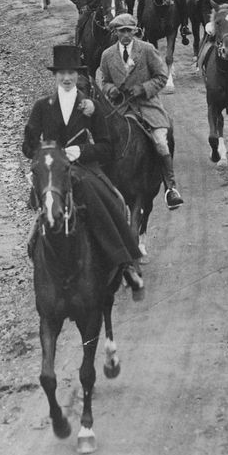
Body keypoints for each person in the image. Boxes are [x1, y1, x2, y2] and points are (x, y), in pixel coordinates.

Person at [22, 45, 143, 293]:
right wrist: (45, 156)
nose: (67, 78)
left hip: (84, 168)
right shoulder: (42, 106)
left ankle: (124, 261)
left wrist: (81, 151)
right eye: (62, 74)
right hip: (54, 169)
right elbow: (28, 146)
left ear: (78, 76)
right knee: (45, 199)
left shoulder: (91, 108)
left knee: (102, 198)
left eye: (72, 74)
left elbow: (107, 148)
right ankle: (41, 262)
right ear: (55, 76)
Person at [96, 14, 184, 210]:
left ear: (135, 31)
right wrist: (112, 90)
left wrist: (144, 88)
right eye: (122, 31)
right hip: (120, 107)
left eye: (129, 31)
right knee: (102, 140)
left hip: (147, 105)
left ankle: (170, 187)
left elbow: (161, 77)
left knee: (161, 140)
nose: (126, 35)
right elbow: (104, 81)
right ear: (115, 32)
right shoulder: (107, 55)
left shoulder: (146, 50)